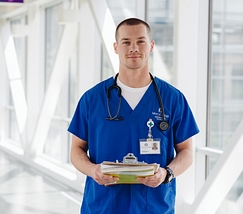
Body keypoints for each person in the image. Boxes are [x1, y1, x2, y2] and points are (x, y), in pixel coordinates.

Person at [68, 17, 199, 214]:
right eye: (126, 42)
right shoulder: (92, 99)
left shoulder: (172, 98)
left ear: (151, 45)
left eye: (140, 41)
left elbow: (187, 152)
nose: (134, 48)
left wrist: (166, 173)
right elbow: (76, 150)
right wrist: (92, 170)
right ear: (115, 47)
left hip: (154, 207)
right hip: (103, 206)